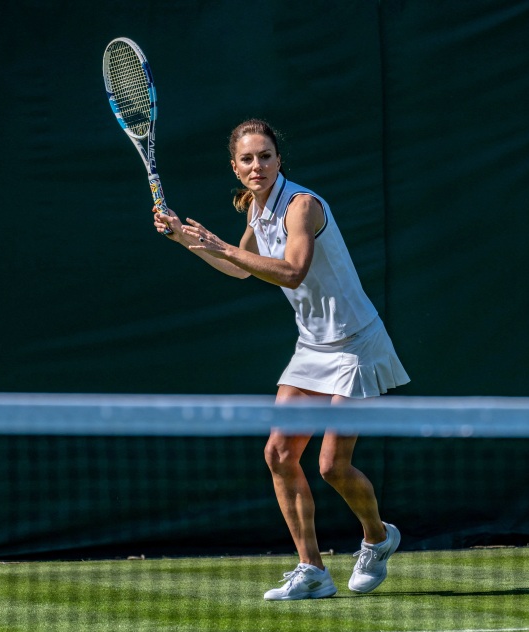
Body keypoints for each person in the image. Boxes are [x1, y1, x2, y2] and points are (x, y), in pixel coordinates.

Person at [153, 119, 410, 601]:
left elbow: (292, 273)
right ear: (235, 166)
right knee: (278, 454)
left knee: (333, 466)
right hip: (312, 346)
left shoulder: (301, 206)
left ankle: (378, 536)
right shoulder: (256, 208)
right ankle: (312, 570)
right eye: (247, 159)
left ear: (278, 159)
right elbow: (238, 268)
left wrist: (220, 243)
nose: (257, 166)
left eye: (265, 156)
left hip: (355, 343)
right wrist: (183, 239)